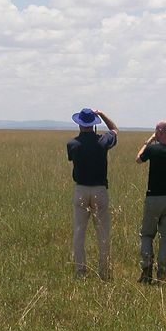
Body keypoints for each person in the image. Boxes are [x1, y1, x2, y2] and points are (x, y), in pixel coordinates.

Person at [67, 108, 119, 280]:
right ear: (94, 124)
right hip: (99, 190)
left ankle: (80, 271)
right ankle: (104, 271)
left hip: (80, 189)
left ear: (79, 123)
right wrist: (103, 114)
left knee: (79, 231)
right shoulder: (103, 141)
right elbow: (114, 130)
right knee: (103, 232)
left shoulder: (72, 144)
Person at [135, 120, 166, 284]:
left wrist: (147, 141)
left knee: (147, 234)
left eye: (156, 129)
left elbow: (138, 159)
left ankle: (146, 270)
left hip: (153, 197)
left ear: (161, 132)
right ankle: (162, 273)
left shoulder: (152, 149)